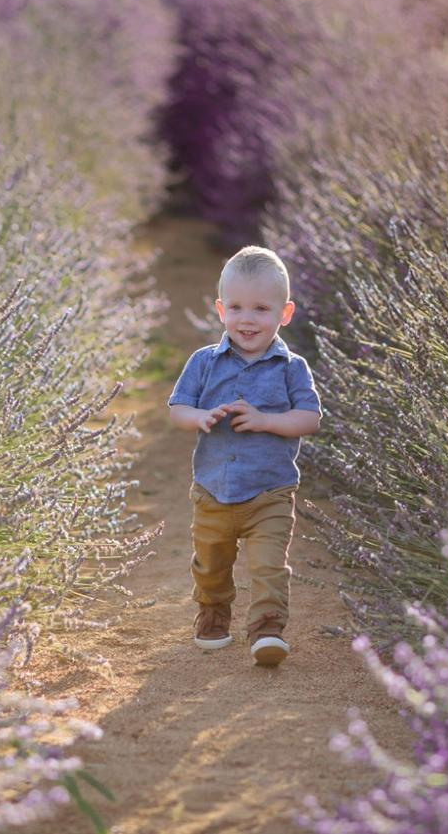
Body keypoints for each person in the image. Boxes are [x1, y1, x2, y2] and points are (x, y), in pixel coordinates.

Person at [167, 245, 323, 667]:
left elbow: (309, 418)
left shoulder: (292, 368)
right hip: (213, 490)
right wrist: (200, 417)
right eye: (236, 307)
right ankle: (213, 612)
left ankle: (267, 629)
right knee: (210, 564)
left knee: (270, 567)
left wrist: (265, 420)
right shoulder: (204, 362)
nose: (247, 319)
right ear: (220, 309)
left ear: (284, 314)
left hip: (270, 492)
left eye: (261, 308)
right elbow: (177, 409)